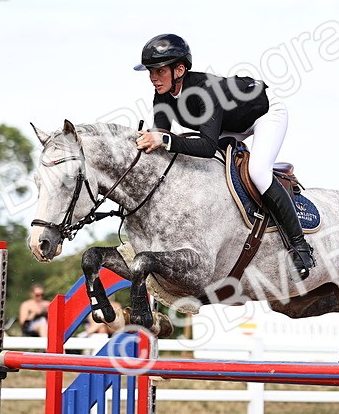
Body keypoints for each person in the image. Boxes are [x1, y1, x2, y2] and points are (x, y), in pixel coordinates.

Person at [132, 33, 315, 280]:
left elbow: (206, 147)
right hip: (228, 126)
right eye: (150, 72)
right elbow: (161, 136)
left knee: (258, 172)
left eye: (159, 71)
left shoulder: (204, 91)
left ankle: (300, 247)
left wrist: (163, 140)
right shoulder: (162, 94)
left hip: (264, 114)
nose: (153, 78)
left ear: (180, 69)